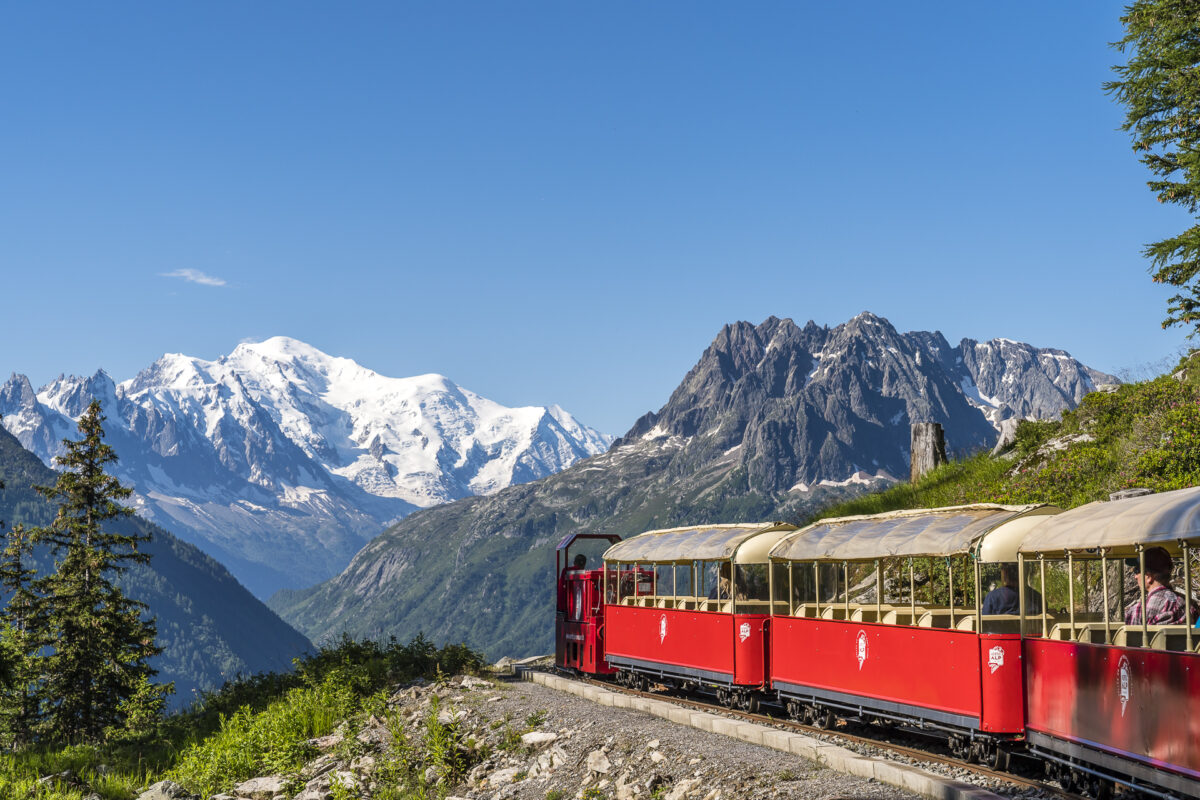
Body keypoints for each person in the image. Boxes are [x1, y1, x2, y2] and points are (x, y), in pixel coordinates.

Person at [1124, 547, 1196, 625]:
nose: (1135, 576)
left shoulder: (1138, 611)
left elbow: (1133, 637)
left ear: (1149, 577)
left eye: (1137, 571)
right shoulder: (1192, 605)